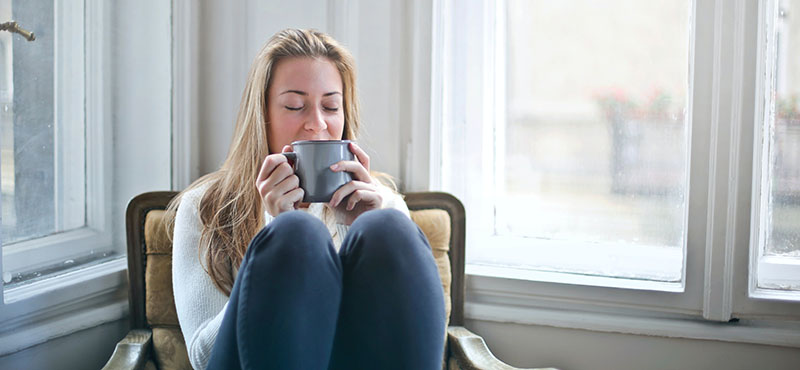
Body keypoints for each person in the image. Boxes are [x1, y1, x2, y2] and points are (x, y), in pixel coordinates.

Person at [165, 28, 446, 370]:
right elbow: (203, 357)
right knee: (296, 234)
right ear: (262, 114)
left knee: (388, 226)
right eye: (295, 106)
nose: (317, 124)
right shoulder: (203, 207)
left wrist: (357, 228)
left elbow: (409, 338)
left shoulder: (383, 202)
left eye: (330, 106)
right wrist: (274, 226)